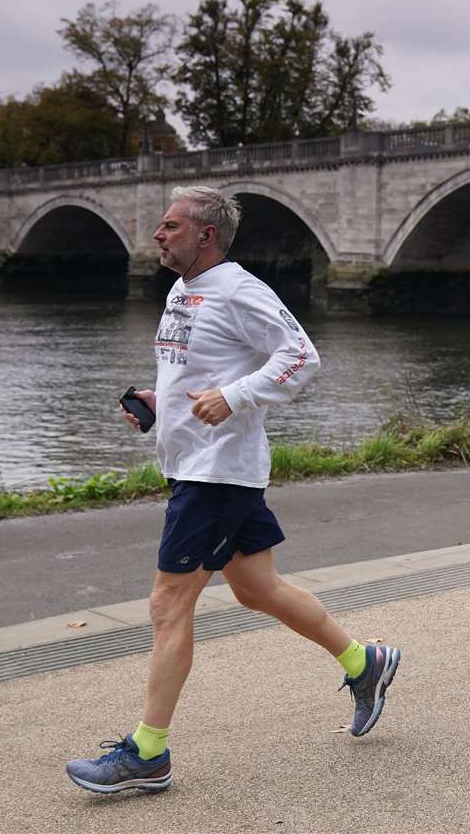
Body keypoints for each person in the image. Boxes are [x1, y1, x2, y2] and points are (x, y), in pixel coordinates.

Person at [66, 185, 401, 795]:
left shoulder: (241, 289)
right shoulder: (182, 288)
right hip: (197, 463)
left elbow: (302, 357)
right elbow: (199, 371)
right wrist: (158, 403)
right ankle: (364, 662)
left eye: (170, 226)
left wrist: (235, 397)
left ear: (205, 235)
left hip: (216, 473)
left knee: (169, 603)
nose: (158, 236)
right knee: (256, 588)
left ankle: (148, 753)